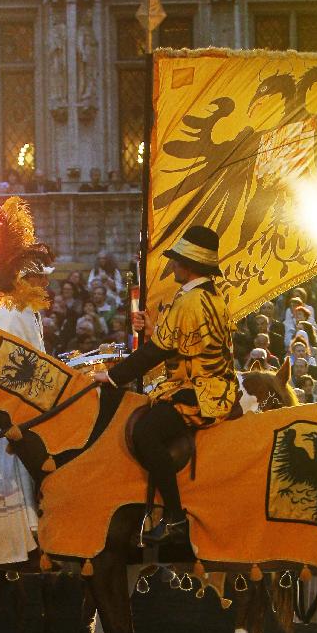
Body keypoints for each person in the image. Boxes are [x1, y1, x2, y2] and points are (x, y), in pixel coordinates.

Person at [94, 225, 237, 545]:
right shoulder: (207, 295)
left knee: (146, 432)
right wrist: (154, 327)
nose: (171, 266)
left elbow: (157, 351)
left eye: (175, 261)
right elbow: (180, 342)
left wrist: (114, 376)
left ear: (187, 265)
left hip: (201, 391)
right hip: (210, 383)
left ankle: (174, 516)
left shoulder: (189, 301)